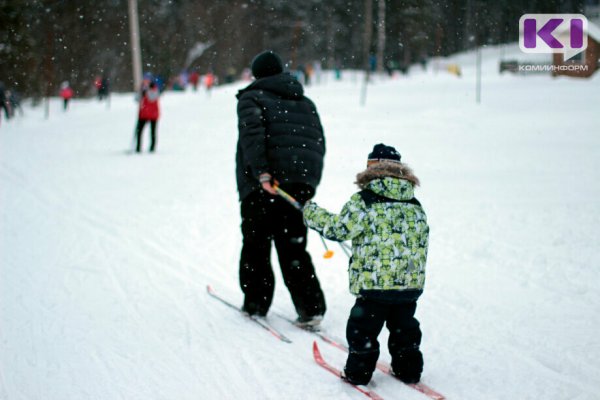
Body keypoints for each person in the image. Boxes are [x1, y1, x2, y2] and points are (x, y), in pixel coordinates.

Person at [303, 143, 430, 385]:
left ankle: (358, 373)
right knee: (405, 329)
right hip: (408, 284)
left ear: (372, 168)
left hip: (375, 285)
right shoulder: (414, 203)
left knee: (363, 329)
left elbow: (339, 229)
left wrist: (312, 214)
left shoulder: (365, 200)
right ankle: (409, 369)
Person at [235, 50, 327, 327]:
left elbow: (252, 137)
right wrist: (307, 183)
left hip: (263, 185)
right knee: (293, 246)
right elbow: (316, 144)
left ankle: (255, 303)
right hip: (296, 187)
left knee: (256, 245)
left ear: (256, 74)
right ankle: (311, 307)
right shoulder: (305, 102)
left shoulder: (251, 98)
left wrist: (262, 172)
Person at [135, 81, 160, 153]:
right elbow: (137, 99)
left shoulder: (155, 90)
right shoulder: (142, 91)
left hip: (153, 115)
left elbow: (152, 98)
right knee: (139, 132)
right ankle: (138, 147)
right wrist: (140, 92)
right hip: (143, 114)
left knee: (152, 132)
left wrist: (147, 92)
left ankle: (152, 148)